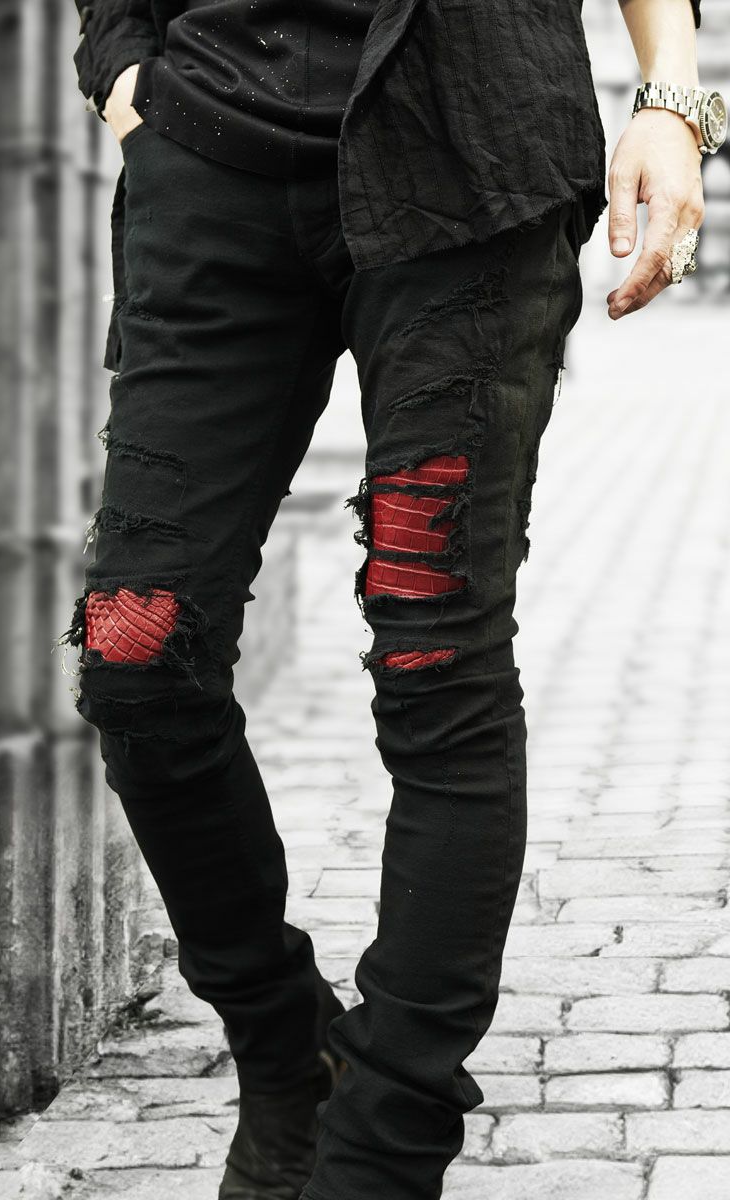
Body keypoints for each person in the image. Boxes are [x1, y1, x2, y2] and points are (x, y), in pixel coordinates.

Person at [61, 1, 722, 1198]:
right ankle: (285, 1058)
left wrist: (670, 98)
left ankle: (385, 1148)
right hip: (208, 163)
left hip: (468, 167)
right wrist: (119, 66)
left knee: (435, 661)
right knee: (136, 651)